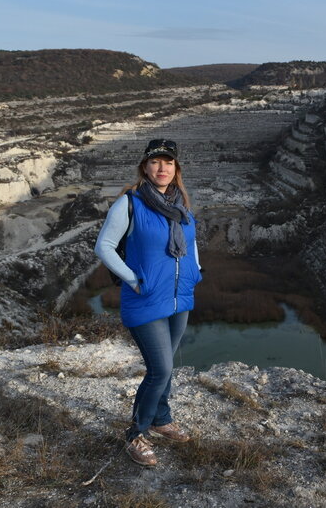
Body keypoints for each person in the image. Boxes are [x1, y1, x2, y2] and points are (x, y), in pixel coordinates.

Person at [94, 138, 202, 467]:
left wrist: (197, 270)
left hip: (179, 298)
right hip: (145, 300)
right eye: (155, 162)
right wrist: (132, 279)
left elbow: (191, 243)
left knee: (166, 366)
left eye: (168, 162)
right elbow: (104, 247)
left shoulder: (180, 204)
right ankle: (136, 434)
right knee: (160, 369)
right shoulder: (130, 203)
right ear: (145, 167)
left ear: (176, 168)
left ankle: (162, 418)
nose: (162, 168)